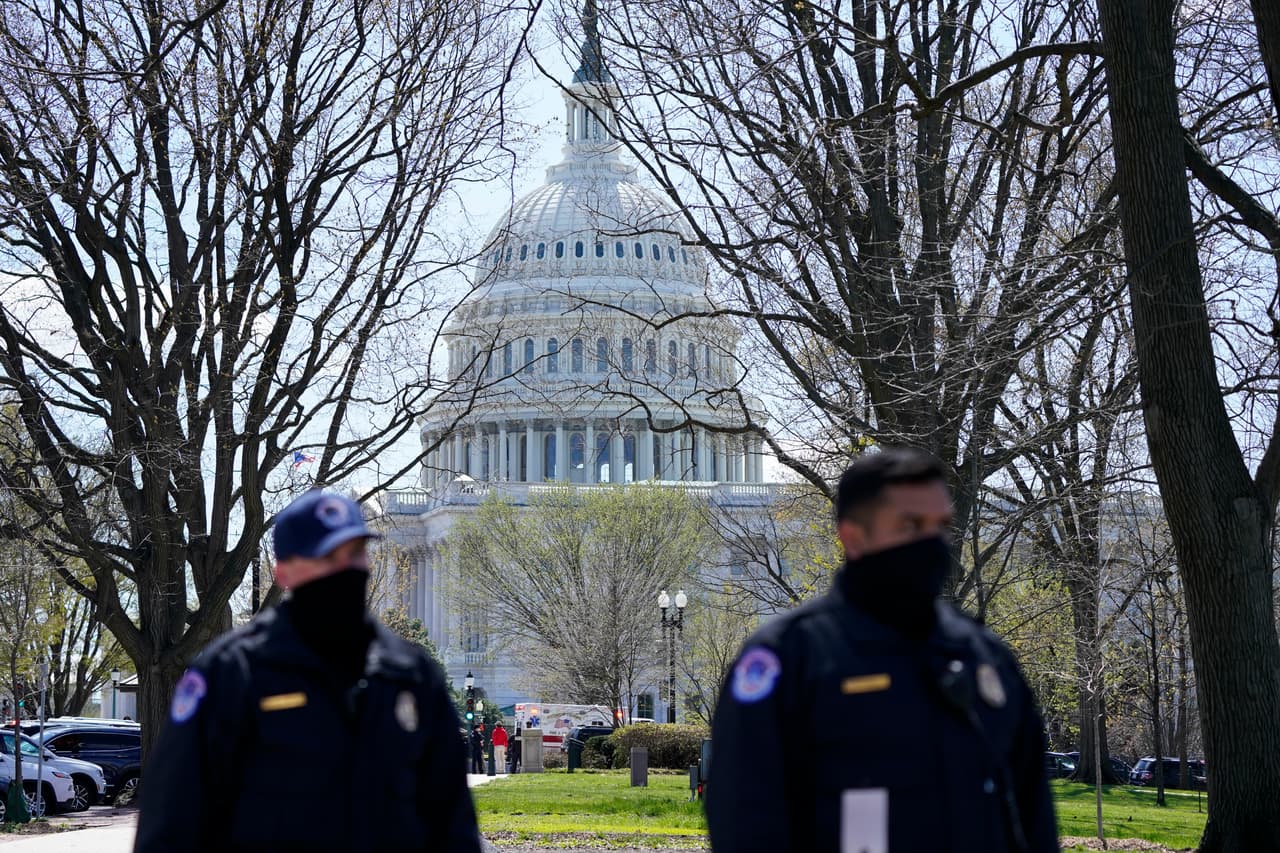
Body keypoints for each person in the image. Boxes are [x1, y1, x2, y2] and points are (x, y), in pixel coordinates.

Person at [705, 448, 1057, 853]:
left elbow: (1033, 818)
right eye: (911, 525)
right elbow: (744, 821)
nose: (932, 543)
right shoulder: (788, 658)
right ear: (853, 537)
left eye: (941, 526)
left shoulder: (984, 657)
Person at [134, 490, 481, 853]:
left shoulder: (411, 674)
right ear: (282, 572)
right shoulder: (232, 673)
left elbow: (451, 822)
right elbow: (171, 824)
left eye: (355, 553)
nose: (345, 569)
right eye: (327, 557)